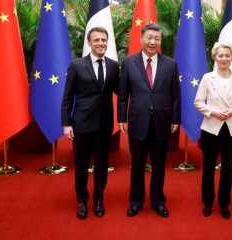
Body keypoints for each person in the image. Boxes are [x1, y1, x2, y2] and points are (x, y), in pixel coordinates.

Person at [118, 23, 181, 218]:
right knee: (137, 165)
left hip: (162, 122)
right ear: (141, 39)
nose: (153, 41)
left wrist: (175, 119)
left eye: (157, 38)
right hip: (137, 121)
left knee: (159, 165)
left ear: (161, 40)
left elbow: (176, 95)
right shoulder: (128, 63)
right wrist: (121, 117)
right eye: (149, 37)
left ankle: (158, 201)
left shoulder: (170, 64)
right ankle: (135, 201)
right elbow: (123, 94)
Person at [61, 27, 119, 219]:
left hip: (104, 125)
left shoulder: (113, 66)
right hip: (81, 125)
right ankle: (82, 201)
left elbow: (121, 91)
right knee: (81, 164)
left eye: (104, 40)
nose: (101, 43)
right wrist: (66, 123)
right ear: (89, 42)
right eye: (97, 40)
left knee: (102, 165)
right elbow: (67, 97)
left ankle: (99, 198)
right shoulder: (77, 65)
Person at [194, 41, 232, 219]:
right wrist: (213, 112)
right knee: (208, 167)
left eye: (227, 55)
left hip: (231, 128)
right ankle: (208, 202)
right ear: (215, 57)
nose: (224, 58)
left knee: (228, 168)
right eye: (220, 55)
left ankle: (224, 203)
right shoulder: (208, 77)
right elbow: (198, 102)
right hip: (211, 128)